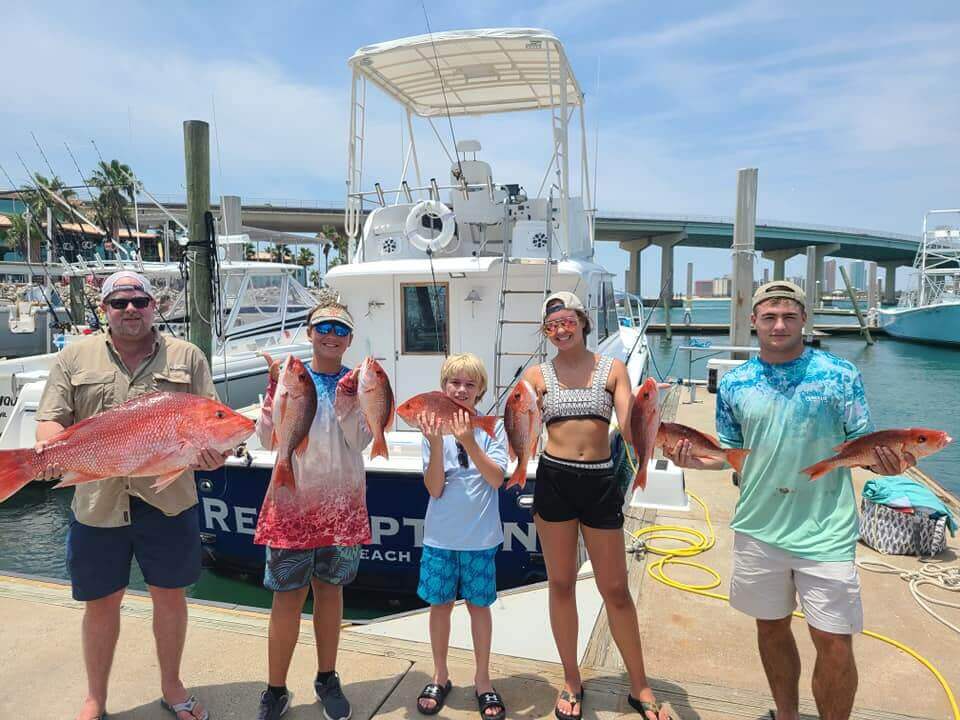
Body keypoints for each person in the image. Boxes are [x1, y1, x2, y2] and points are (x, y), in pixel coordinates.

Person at [665, 280, 913, 720]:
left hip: (825, 530)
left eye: (789, 316)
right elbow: (729, 456)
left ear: (804, 320)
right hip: (759, 526)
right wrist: (690, 461)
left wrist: (884, 465)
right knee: (771, 628)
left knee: (834, 640)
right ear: (753, 321)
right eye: (769, 316)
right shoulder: (736, 382)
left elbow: (860, 446)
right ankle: (786, 715)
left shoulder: (840, 374)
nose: (779, 325)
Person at [34, 270, 227, 720]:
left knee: (170, 596)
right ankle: (95, 698)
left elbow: (211, 417)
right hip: (98, 503)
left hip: (169, 500)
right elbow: (52, 418)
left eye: (139, 301)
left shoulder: (188, 356)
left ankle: (173, 686)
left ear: (153, 305)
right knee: (101, 601)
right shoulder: (74, 356)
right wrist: (47, 448)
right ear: (105, 310)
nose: (130, 310)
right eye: (119, 303)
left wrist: (212, 453)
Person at [520, 291, 674, 720]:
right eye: (552, 325)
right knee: (562, 583)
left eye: (568, 321)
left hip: (600, 481)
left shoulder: (613, 369)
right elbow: (521, 423)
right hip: (555, 480)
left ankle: (639, 685)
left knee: (616, 590)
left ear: (583, 323)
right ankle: (571, 679)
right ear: (546, 332)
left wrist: (650, 409)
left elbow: (627, 428)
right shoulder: (537, 375)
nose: (561, 330)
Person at [254, 297, 373, 720]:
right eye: (323, 327)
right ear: (309, 333)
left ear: (349, 340)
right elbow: (265, 438)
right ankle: (275, 688)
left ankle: (327, 677)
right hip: (291, 509)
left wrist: (350, 398)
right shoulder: (291, 377)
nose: (331, 335)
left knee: (331, 593)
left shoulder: (358, 385)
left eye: (340, 330)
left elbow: (361, 440)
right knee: (286, 599)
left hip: (341, 509)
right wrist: (273, 391)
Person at [414, 353, 509, 720]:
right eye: (455, 382)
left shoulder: (492, 427)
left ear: (481, 389)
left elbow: (497, 478)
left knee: (479, 607)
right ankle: (440, 674)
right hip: (440, 537)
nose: (461, 389)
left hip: (480, 538)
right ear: (444, 387)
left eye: (470, 384)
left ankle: (483, 679)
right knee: (439, 606)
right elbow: (434, 488)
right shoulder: (431, 428)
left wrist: (469, 441)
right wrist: (437, 443)